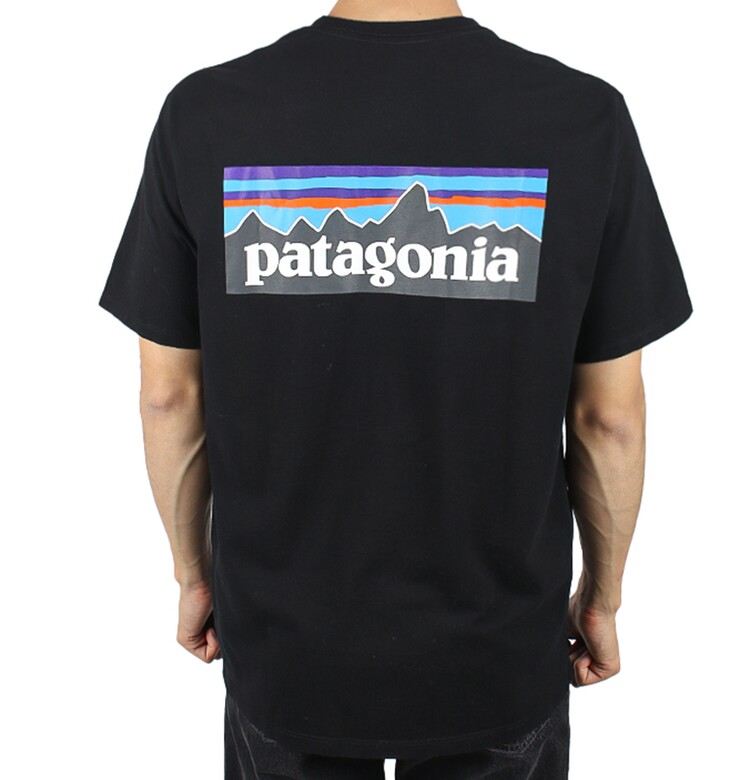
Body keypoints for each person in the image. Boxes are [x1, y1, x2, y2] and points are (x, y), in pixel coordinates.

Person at [97, 0, 693, 777]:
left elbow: (169, 397)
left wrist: (194, 577)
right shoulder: (581, 118)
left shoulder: (207, 112)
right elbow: (607, 417)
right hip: (498, 650)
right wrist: (602, 598)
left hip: (285, 649)